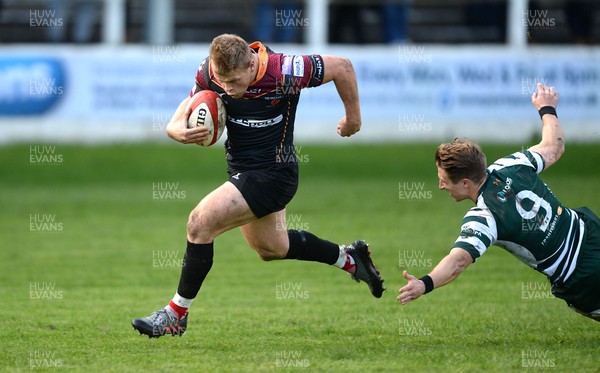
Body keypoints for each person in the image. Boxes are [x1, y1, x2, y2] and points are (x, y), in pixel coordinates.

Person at [132, 34, 385, 338]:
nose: (227, 88)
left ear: (251, 64)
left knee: (199, 223)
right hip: (242, 172)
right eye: (222, 81)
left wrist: (353, 119)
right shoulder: (210, 71)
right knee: (271, 248)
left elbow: (342, 67)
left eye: (235, 81)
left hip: (275, 174)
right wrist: (174, 129)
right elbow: (190, 105)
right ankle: (350, 259)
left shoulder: (284, 70)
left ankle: (175, 314)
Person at [397, 83, 600, 322]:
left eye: (443, 181)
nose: (441, 186)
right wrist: (546, 108)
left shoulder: (484, 216)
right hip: (591, 233)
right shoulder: (511, 164)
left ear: (464, 183)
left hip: (579, 275)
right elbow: (554, 147)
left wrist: (425, 283)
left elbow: (458, 260)